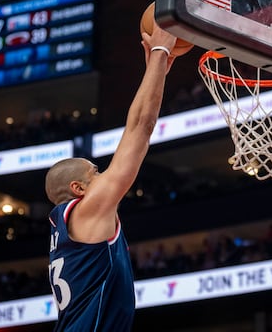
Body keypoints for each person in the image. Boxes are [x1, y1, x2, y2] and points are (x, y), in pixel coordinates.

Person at [45, 20, 177, 331]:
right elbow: (140, 128)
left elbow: (139, 127)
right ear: (78, 188)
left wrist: (155, 72)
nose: (106, 174)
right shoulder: (87, 210)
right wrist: (159, 52)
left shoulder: (70, 226)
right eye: (97, 171)